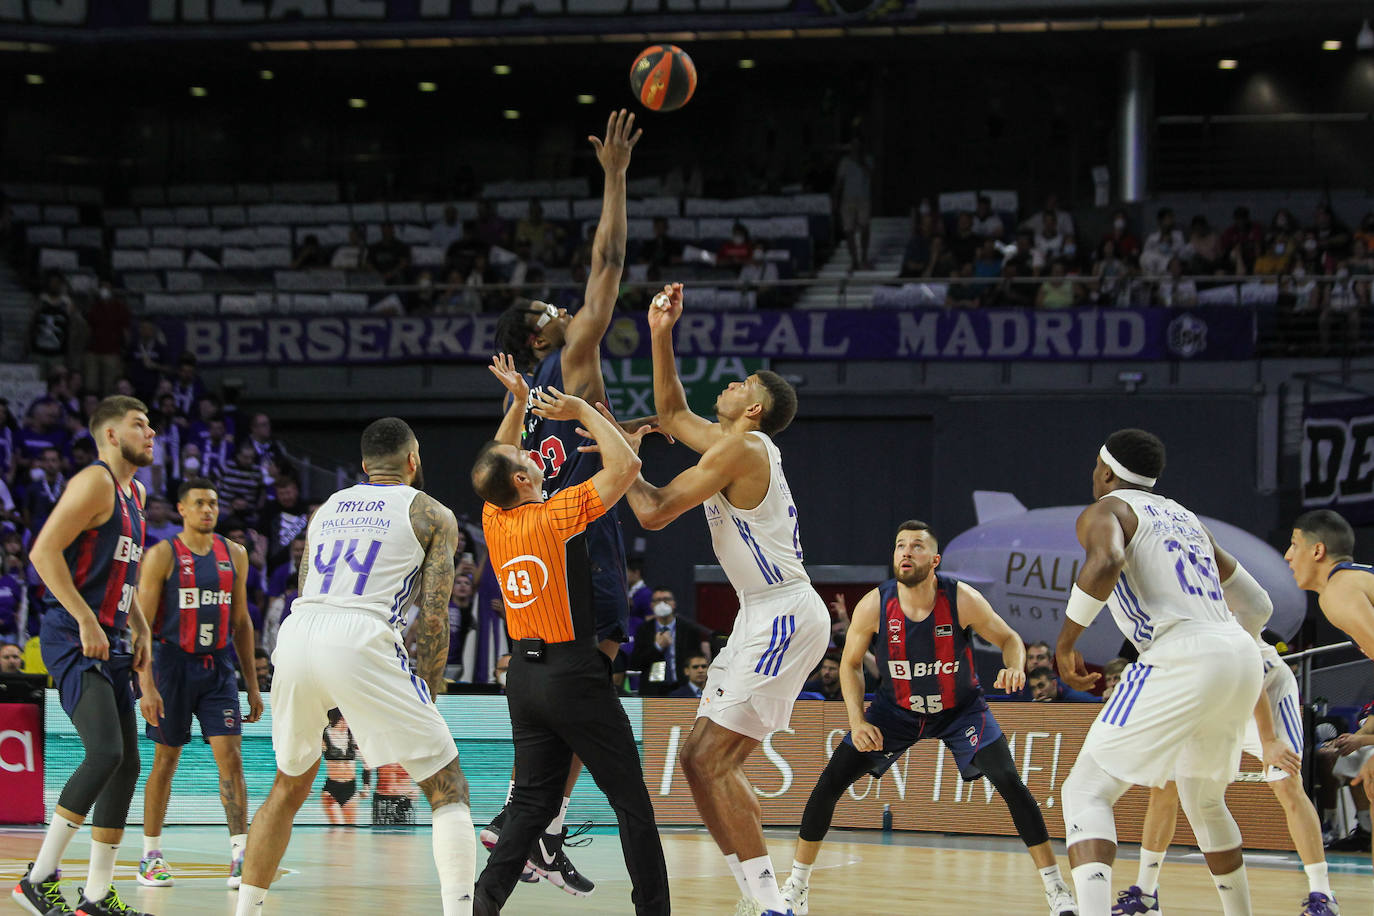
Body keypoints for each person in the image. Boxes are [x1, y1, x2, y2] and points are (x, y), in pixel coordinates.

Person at [606, 281, 829, 916]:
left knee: (708, 759)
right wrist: (659, 333)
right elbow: (672, 416)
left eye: (740, 385)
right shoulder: (738, 444)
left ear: (754, 408)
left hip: (783, 610)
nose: (729, 385)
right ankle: (768, 900)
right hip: (764, 612)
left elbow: (649, 511)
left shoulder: (744, 447)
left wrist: (616, 453)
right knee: (705, 767)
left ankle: (773, 905)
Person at [484, 109, 642, 889]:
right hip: (583, 544)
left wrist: (619, 428)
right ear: (542, 339)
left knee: (567, 687)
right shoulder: (576, 358)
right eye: (553, 311)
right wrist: (613, 176)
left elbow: (505, 467)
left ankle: (533, 821)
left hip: (534, 563)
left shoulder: (518, 408)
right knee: (595, 679)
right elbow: (609, 262)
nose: (568, 308)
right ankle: (531, 817)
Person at [233, 417, 476, 916]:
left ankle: (246, 911)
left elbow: (305, 586)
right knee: (446, 781)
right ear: (413, 461)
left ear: (365, 466)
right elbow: (433, 617)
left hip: (299, 634)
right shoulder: (432, 513)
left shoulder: (325, 509)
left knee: (289, 784)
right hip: (361, 634)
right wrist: (425, 695)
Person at [779, 520, 1077, 916]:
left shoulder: (961, 599)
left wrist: (1015, 666)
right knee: (831, 781)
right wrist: (857, 721)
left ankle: (1056, 890)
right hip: (895, 711)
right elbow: (849, 665)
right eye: (900, 545)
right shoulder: (874, 604)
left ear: (934, 560)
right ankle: (796, 887)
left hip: (960, 710)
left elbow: (1009, 640)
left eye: (916, 546)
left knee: (1008, 779)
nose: (906, 552)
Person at [1053, 428, 1276, 916]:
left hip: (1179, 653)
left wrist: (1067, 641)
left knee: (1086, 789)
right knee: (1206, 802)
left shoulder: (1107, 510)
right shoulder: (1187, 519)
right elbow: (1258, 604)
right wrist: (1239, 647)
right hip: (1238, 654)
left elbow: (1106, 559)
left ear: (1105, 472)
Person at [469, 385, 668, 916]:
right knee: (632, 803)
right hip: (572, 674)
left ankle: (483, 904)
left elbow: (496, 457)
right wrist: (580, 411)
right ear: (521, 480)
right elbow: (626, 468)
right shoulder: (553, 516)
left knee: (531, 804)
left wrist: (515, 404)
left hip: (524, 679)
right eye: (526, 460)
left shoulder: (495, 519)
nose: (534, 457)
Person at [1113, 564, 1337, 916]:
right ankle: (1146, 893)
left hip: (1264, 688)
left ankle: (1322, 895)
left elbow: (1250, 680)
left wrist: (1268, 741)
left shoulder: (1208, 610)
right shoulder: (1158, 614)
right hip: (1213, 697)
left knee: (1286, 784)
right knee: (1164, 786)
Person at [19, 395, 156, 916]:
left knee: (125, 766)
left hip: (112, 635)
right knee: (105, 753)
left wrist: (139, 627)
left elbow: (128, 574)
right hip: (72, 634)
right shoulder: (94, 481)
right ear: (111, 435)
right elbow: (42, 552)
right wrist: (82, 618)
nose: (151, 433)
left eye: (151, 426)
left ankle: (96, 895)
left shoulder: (136, 492)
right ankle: (37, 878)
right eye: (139, 425)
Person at [133, 477, 264, 890]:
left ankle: (240, 854)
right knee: (165, 761)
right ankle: (150, 854)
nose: (208, 509)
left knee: (231, 757)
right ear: (182, 510)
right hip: (171, 666)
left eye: (213, 503)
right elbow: (141, 628)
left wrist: (253, 683)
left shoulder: (235, 554)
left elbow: (241, 621)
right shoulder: (161, 556)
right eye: (199, 503)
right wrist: (146, 686)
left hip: (219, 667)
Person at [628, 587, 710, 696]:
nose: (662, 603)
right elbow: (635, 663)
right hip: (653, 690)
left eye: (666, 599)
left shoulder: (689, 629)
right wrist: (657, 647)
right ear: (651, 605)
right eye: (658, 600)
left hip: (682, 688)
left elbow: (695, 658)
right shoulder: (644, 629)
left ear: (674, 604)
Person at [321, 711, 368, 825]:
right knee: (337, 829)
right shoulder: (325, 735)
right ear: (339, 719)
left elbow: (366, 763)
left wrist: (366, 786)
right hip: (332, 789)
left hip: (350, 788)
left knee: (349, 831)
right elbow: (312, 760)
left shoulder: (352, 736)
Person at [1028, 666, 1099, 702]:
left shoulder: (1074, 697)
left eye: (1041, 686)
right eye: (1033, 688)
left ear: (1054, 683)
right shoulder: (1033, 702)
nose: (1038, 692)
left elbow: (1099, 702)